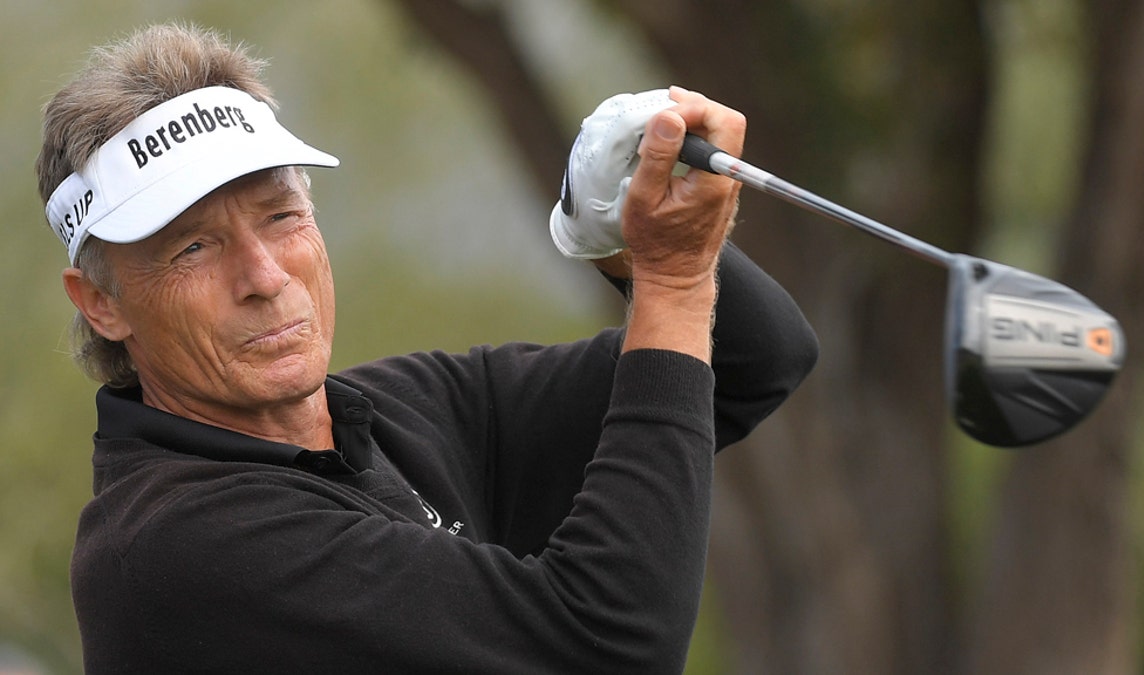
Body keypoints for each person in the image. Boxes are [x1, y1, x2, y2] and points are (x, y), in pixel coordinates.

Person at [37, 23, 818, 674]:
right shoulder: (174, 547)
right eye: (193, 249)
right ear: (102, 302)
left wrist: (608, 223)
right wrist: (672, 283)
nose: (266, 277)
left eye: (281, 217)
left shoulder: (399, 413)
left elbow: (751, 356)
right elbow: (610, 646)